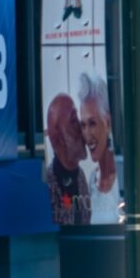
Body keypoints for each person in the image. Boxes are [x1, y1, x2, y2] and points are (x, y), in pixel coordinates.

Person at [78, 72, 119, 224]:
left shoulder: (120, 179)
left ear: (107, 122)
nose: (86, 134)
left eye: (92, 123)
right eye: (83, 125)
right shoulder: (91, 180)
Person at [44, 94, 91, 225]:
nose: (81, 129)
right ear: (57, 136)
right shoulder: (48, 187)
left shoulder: (81, 177)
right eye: (73, 121)